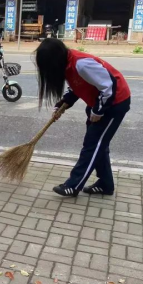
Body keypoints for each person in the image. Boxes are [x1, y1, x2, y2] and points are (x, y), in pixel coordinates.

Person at [35, 38, 131, 198]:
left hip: (114, 103)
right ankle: (105, 184)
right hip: (98, 103)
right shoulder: (67, 64)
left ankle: (73, 185)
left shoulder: (82, 64)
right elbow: (77, 86)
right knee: (98, 145)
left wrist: (99, 111)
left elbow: (109, 86)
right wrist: (63, 103)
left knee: (93, 145)